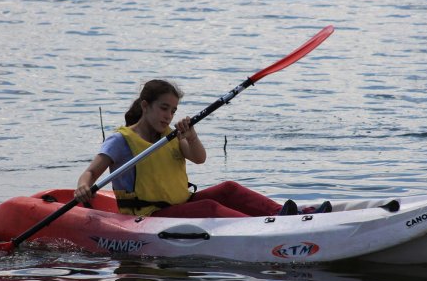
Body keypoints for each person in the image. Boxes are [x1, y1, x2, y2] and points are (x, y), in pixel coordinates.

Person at [74, 79, 301, 218]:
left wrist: (191, 136)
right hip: (149, 215)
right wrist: (83, 186)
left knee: (228, 189)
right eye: (164, 108)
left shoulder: (170, 136)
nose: (169, 116)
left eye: (173, 111)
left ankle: (282, 214)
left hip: (179, 205)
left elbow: (198, 158)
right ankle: (261, 227)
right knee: (208, 208)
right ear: (145, 106)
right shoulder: (121, 140)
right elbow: (92, 172)